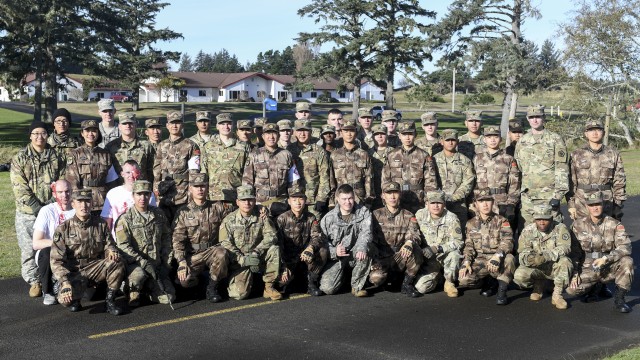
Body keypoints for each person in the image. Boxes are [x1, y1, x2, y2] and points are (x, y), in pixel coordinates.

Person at [11, 121, 65, 297]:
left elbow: (62, 179)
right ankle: (35, 281)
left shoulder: (56, 156)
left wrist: (50, 204)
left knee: (53, 245)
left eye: (42, 133)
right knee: (29, 248)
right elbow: (19, 186)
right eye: (35, 133)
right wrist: (36, 208)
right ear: (30, 136)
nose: (39, 137)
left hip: (51, 210)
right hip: (27, 213)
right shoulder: (20, 158)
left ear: (47, 135)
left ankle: (54, 278)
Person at [50, 189, 125, 315]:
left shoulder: (101, 224)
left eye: (87, 201)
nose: (84, 205)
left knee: (117, 262)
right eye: (79, 202)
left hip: (95, 268)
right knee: (65, 300)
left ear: (92, 203)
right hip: (74, 272)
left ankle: (110, 301)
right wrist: (64, 282)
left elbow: (109, 244)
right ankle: (75, 300)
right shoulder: (63, 229)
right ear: (73, 204)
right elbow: (56, 261)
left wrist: (111, 250)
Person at [172, 173, 235, 302]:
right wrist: (181, 262)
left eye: (203, 186)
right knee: (184, 281)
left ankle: (212, 288)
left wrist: (261, 209)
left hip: (212, 250)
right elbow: (177, 240)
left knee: (222, 253)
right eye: (196, 186)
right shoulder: (183, 212)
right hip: (193, 254)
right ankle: (200, 281)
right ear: (190, 188)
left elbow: (239, 213)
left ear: (207, 188)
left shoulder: (217, 207)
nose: (200, 189)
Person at [567, 191, 633, 313]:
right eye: (592, 205)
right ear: (587, 206)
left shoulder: (614, 224)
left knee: (627, 261)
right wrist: (575, 273)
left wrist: (606, 259)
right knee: (571, 290)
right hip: (587, 266)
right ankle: (595, 287)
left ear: (602, 205)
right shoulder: (577, 225)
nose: (595, 208)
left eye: (598, 204)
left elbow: (625, 247)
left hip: (607, 264)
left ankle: (619, 299)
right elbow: (574, 252)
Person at [114, 180, 174, 306]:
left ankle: (149, 289)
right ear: (133, 196)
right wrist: (142, 262)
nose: (143, 198)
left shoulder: (158, 214)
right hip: (136, 265)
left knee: (169, 298)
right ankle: (131, 290)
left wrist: (166, 262)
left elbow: (166, 238)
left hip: (156, 264)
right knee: (138, 276)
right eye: (139, 194)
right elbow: (123, 246)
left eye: (146, 194)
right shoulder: (125, 219)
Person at [220, 185, 283, 301]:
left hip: (258, 256)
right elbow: (225, 243)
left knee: (274, 249)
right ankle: (230, 281)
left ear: (254, 201)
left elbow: (272, 236)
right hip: (239, 261)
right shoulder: (229, 220)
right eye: (243, 200)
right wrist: (243, 259)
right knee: (239, 295)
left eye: (250, 199)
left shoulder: (262, 216)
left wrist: (256, 252)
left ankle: (269, 287)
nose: (247, 203)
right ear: (237, 202)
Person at [514, 104, 569, 228]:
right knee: (528, 230)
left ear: (543, 118)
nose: (535, 120)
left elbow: (562, 169)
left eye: (538, 117)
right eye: (531, 117)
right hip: (528, 197)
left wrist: (559, 195)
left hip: (549, 196)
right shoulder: (522, 141)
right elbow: (519, 168)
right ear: (527, 119)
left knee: (553, 229)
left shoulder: (555, 139)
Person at [458, 189, 515, 305]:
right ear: (476, 204)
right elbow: (469, 245)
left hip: (497, 258)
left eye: (488, 200)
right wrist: (466, 261)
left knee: (510, 259)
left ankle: (502, 291)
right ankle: (489, 281)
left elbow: (508, 241)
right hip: (480, 259)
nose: (485, 204)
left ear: (493, 202)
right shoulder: (471, 223)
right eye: (481, 201)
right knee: (463, 280)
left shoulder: (502, 221)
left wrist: (498, 256)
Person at [369, 182, 423, 298]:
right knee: (376, 278)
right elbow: (369, 238)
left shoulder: (408, 215)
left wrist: (409, 242)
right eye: (389, 193)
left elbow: (415, 234)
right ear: (383, 196)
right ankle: (390, 279)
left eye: (395, 193)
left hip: (400, 256)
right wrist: (374, 260)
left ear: (400, 194)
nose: (392, 197)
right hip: (382, 257)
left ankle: (407, 284)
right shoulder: (375, 215)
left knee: (416, 249)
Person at [513, 205, 573, 310]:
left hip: (553, 266)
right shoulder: (528, 230)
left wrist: (546, 256)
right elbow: (522, 252)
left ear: (551, 218)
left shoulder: (560, 228)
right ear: (534, 219)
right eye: (539, 219)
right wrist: (530, 259)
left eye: (545, 219)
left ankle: (557, 295)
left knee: (566, 262)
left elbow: (565, 248)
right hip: (536, 267)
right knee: (519, 276)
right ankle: (538, 285)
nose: (542, 222)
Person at [319, 184, 373, 297]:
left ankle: (357, 286)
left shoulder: (364, 213)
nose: (347, 202)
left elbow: (366, 233)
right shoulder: (328, 218)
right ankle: (344, 277)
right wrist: (334, 251)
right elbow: (322, 242)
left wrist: (362, 247)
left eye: (350, 198)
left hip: (356, 253)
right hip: (337, 258)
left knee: (367, 248)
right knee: (328, 288)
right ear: (337, 199)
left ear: (354, 198)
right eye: (344, 199)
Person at [567, 119, 626, 221]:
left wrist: (617, 205)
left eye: (598, 130)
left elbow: (619, 182)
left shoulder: (613, 154)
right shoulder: (576, 154)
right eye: (591, 130)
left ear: (603, 132)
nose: (595, 133)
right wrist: (571, 205)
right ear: (586, 133)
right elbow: (571, 182)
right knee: (581, 234)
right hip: (582, 201)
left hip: (606, 201)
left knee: (607, 233)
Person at [277, 186, 329, 296]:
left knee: (323, 249)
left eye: (301, 199)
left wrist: (310, 247)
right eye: (294, 200)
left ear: (305, 201)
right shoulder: (282, 219)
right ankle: (293, 281)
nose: (298, 203)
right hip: (288, 258)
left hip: (305, 256)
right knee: (283, 282)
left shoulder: (311, 218)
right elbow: (278, 245)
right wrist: (283, 266)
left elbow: (317, 236)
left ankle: (311, 283)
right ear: (289, 202)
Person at [32, 179, 75, 305]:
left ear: (72, 192)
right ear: (54, 194)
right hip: (50, 252)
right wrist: (58, 243)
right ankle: (48, 291)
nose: (64, 195)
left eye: (67, 191)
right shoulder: (46, 211)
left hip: (73, 252)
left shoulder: (77, 210)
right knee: (46, 252)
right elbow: (36, 243)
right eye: (60, 192)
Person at [243, 122, 299, 217]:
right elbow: (247, 182)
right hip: (260, 203)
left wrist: (293, 203)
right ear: (263, 136)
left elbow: (293, 182)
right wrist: (251, 204)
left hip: (281, 202)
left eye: (274, 133)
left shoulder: (287, 155)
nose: (271, 137)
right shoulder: (254, 155)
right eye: (268, 133)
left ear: (278, 135)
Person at [153, 111, 200, 222]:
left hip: (183, 194)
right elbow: (157, 169)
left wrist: (191, 192)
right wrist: (156, 189)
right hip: (164, 194)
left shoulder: (191, 145)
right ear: (167, 125)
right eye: (172, 123)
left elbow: (194, 171)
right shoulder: (162, 145)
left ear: (182, 125)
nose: (175, 126)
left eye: (178, 123)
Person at [414, 190, 463, 297]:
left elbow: (458, 242)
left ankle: (449, 282)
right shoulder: (420, 215)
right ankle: (439, 277)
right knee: (422, 288)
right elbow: (414, 234)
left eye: (439, 203)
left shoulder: (452, 218)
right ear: (426, 204)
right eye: (432, 203)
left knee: (455, 254)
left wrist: (439, 248)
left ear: (444, 204)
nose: (436, 206)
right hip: (428, 259)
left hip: (445, 256)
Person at [382, 121, 438, 214]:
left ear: (415, 134)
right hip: (396, 201)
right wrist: (386, 199)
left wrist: (428, 201)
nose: (407, 137)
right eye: (404, 134)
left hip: (418, 201)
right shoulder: (391, 155)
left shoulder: (424, 155)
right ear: (399, 136)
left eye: (410, 134)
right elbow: (385, 180)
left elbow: (431, 182)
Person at [472, 125, 521, 229]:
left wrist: (510, 204)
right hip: (482, 203)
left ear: (500, 139)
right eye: (489, 137)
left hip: (501, 203)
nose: (492, 140)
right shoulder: (477, 158)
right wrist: (473, 203)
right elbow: (472, 182)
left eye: (495, 136)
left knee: (503, 234)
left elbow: (514, 184)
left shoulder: (508, 159)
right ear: (484, 139)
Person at [66, 120, 116, 215]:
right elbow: (72, 182)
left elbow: (112, 181)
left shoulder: (105, 154)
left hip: (104, 201)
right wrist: (79, 202)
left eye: (94, 131)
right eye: (87, 131)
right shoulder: (75, 154)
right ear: (82, 133)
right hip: (84, 202)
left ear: (98, 133)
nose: (90, 134)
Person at [201, 115, 252, 204]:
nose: (226, 127)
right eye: (222, 124)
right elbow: (203, 172)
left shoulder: (243, 147)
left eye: (229, 123)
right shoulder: (208, 147)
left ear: (233, 125)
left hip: (236, 197)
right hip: (213, 197)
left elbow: (248, 174)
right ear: (217, 126)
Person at [287, 119, 332, 218]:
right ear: (294, 132)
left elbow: (325, 176)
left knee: (314, 230)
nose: (302, 134)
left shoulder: (319, 151)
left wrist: (321, 198)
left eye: (306, 131)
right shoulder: (289, 150)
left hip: (313, 201)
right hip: (295, 201)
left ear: (311, 132)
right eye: (299, 131)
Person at [101, 160, 157, 238]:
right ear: (122, 174)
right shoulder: (113, 194)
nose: (131, 175)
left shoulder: (148, 194)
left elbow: (154, 218)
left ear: (139, 173)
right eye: (128, 172)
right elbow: (107, 222)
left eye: (135, 172)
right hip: (119, 241)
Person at [433, 129, 475, 229]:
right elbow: (430, 180)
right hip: (438, 204)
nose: (450, 142)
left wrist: (455, 197)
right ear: (442, 141)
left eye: (453, 140)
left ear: (457, 141)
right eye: (447, 140)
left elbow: (468, 182)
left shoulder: (465, 160)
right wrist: (439, 197)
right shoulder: (434, 159)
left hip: (458, 204)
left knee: (459, 232)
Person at [329, 119, 374, 206]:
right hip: (341, 198)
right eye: (346, 131)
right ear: (341, 133)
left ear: (356, 132)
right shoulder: (335, 155)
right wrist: (331, 202)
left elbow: (369, 179)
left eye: (352, 131)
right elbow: (331, 181)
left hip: (360, 198)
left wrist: (369, 199)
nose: (349, 134)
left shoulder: (363, 154)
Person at [105, 112, 155, 183]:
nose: (127, 126)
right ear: (119, 126)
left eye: (130, 123)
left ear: (135, 125)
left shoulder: (146, 146)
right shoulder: (111, 147)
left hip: (141, 190)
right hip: (119, 188)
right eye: (124, 124)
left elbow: (152, 170)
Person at [368, 124, 392, 209]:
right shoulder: (367, 154)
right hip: (372, 194)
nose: (380, 136)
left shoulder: (395, 153)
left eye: (382, 134)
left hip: (390, 194)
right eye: (376, 134)